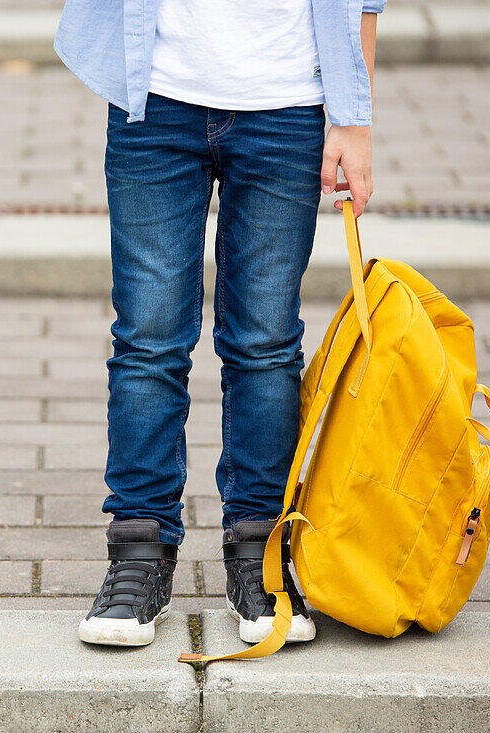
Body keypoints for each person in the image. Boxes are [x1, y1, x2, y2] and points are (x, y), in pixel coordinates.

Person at [54, 0, 384, 646]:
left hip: (288, 102)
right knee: (148, 340)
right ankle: (139, 555)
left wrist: (353, 115)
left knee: (265, 344)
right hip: (155, 93)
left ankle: (260, 556)